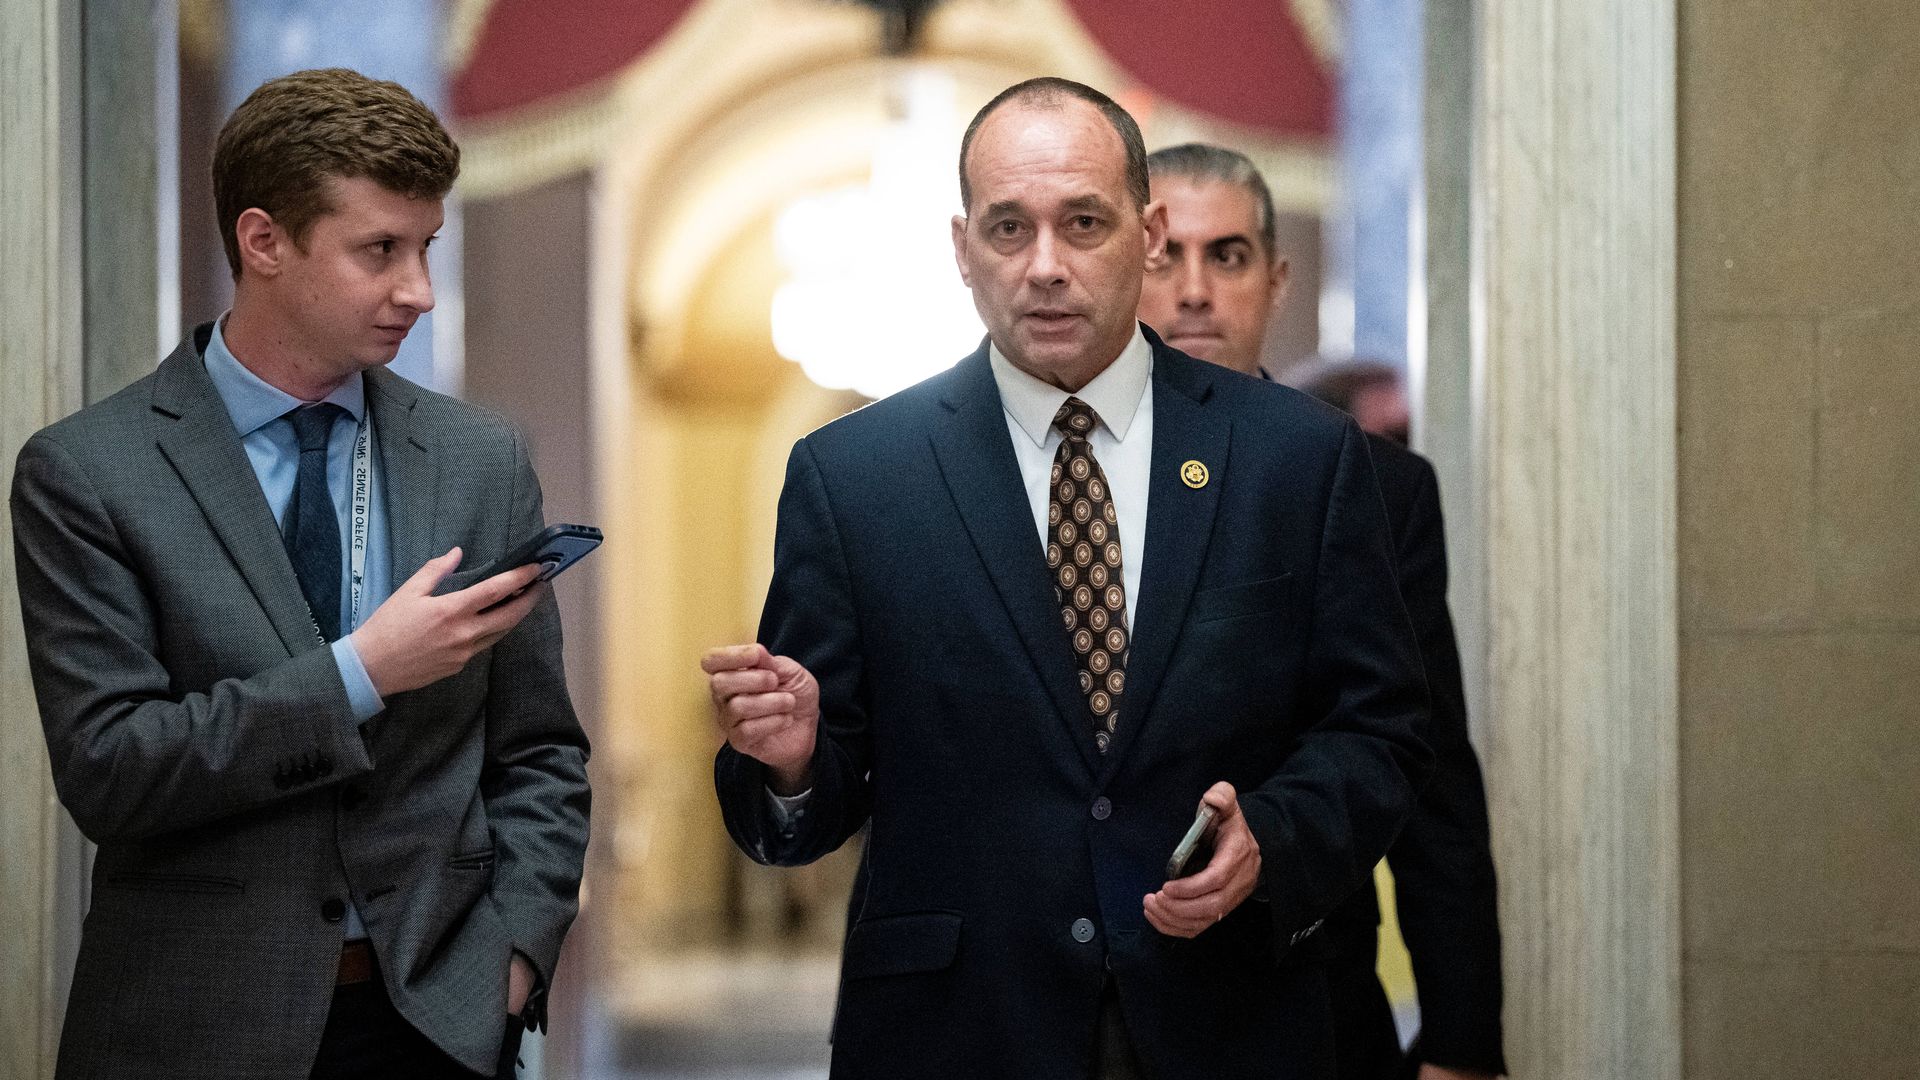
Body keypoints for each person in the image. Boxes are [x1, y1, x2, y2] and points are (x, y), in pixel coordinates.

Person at [704, 78, 1430, 1079]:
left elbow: (1380, 733)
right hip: (956, 1033)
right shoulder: (854, 478)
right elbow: (814, 799)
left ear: (1148, 228)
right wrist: (790, 759)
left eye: (1082, 222)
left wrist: (1275, 831)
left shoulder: (1296, 461)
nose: (1044, 266)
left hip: (1230, 1021)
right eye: (1009, 228)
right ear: (963, 248)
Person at [10, 68, 591, 1080]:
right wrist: (362, 671)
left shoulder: (480, 459)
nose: (418, 288)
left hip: (437, 1028)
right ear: (264, 241)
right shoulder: (88, 473)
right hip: (192, 1029)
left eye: (426, 248)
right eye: (380, 250)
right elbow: (110, 770)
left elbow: (539, 753)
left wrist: (511, 960)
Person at [1139, 143, 1506, 1080]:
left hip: (1304, 994)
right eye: (1162, 255)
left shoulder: (1379, 487)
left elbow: (1431, 778)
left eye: (1226, 256)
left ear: (1274, 279)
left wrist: (1462, 1042)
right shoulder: (1056, 475)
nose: (1193, 290)